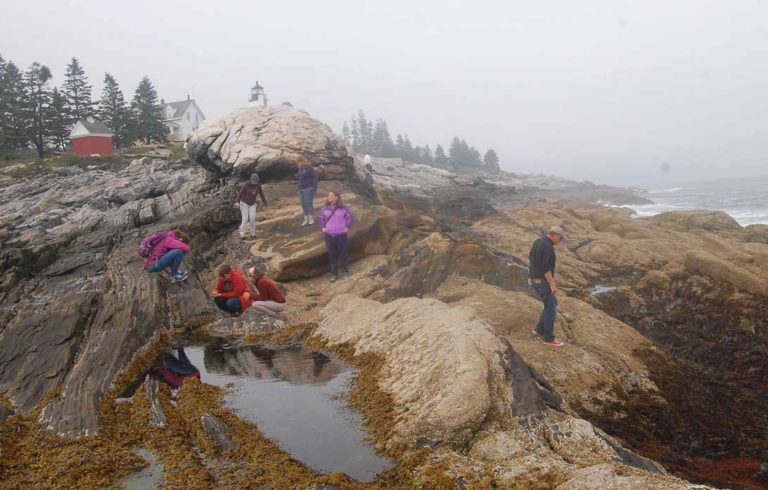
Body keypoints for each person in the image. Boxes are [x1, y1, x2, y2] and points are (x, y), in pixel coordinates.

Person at [528, 225, 568, 346]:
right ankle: (549, 338)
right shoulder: (548, 247)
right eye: (560, 238)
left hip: (535, 278)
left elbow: (531, 257)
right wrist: (552, 285)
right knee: (551, 310)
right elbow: (546, 269)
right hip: (541, 281)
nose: (560, 241)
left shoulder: (538, 241)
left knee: (552, 303)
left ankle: (539, 329)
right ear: (555, 235)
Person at [318, 191, 354, 282]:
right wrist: (322, 227)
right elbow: (321, 218)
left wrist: (347, 227)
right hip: (329, 235)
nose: (329, 197)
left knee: (343, 253)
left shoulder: (343, 208)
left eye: (331, 195)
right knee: (332, 255)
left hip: (341, 235)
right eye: (328, 195)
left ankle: (345, 271)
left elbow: (350, 217)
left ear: (336, 197)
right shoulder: (325, 208)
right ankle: (334, 274)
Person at [234, 173, 269, 240]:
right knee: (245, 219)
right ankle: (242, 235)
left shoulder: (258, 186)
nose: (254, 183)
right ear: (251, 180)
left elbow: (262, 196)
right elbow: (240, 194)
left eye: (256, 182)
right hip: (244, 203)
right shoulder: (246, 185)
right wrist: (237, 202)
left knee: (252, 219)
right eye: (253, 181)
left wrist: (266, 204)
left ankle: (253, 234)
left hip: (252, 204)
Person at [296, 156, 318, 226]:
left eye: (299, 162)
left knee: (308, 203)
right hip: (300, 189)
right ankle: (306, 219)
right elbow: (300, 179)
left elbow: (314, 178)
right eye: (297, 163)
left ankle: (311, 218)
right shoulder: (300, 170)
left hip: (308, 188)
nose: (298, 164)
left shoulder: (309, 169)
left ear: (302, 162)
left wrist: (314, 188)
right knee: (303, 204)